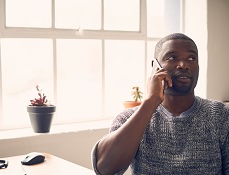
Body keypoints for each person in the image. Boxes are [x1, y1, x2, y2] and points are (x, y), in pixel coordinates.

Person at [91, 33, 229, 175]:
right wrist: (151, 102)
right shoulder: (129, 118)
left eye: (191, 58)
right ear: (155, 66)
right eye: (172, 58)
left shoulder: (220, 114)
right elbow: (104, 169)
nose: (183, 65)